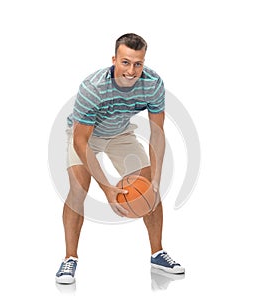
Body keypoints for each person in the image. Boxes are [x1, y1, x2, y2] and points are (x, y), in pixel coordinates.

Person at [55, 33, 185, 284]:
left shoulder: (153, 84)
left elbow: (157, 135)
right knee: (78, 189)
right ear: (114, 59)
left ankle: (157, 254)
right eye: (125, 62)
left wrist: (156, 181)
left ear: (143, 62)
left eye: (138, 63)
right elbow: (81, 142)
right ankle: (70, 258)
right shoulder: (93, 87)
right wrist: (107, 189)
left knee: (148, 188)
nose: (131, 70)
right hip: (86, 135)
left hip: (120, 133)